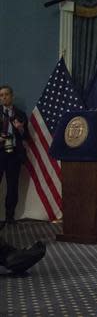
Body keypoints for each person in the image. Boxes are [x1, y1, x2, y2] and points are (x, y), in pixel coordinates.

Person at [0, 85, 29, 225]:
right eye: (1, 95)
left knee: (12, 186)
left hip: (14, 155)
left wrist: (21, 129)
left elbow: (26, 136)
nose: (4, 97)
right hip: (0, 153)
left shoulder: (20, 114)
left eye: (6, 94)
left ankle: (9, 217)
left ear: (12, 96)